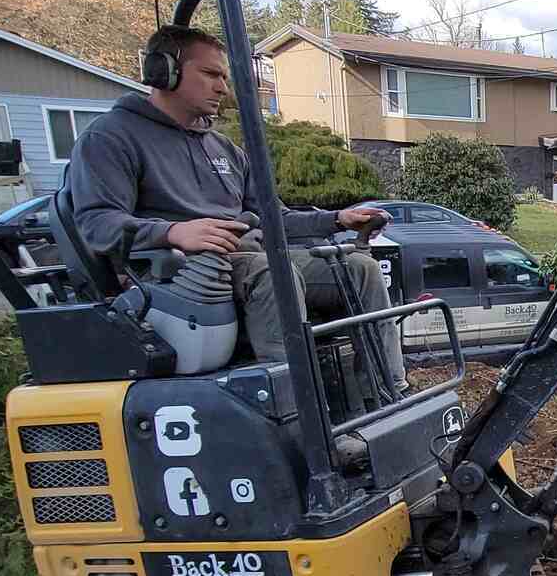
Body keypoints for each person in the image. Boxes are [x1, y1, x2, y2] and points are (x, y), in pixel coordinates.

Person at [63, 25, 405, 392]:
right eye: (210, 74)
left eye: (224, 77)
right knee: (275, 273)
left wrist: (337, 219)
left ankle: (387, 392)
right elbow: (97, 223)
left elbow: (277, 221)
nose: (222, 87)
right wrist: (172, 232)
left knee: (360, 269)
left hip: (245, 259)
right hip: (176, 277)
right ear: (163, 71)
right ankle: (295, 407)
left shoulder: (224, 149)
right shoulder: (111, 137)